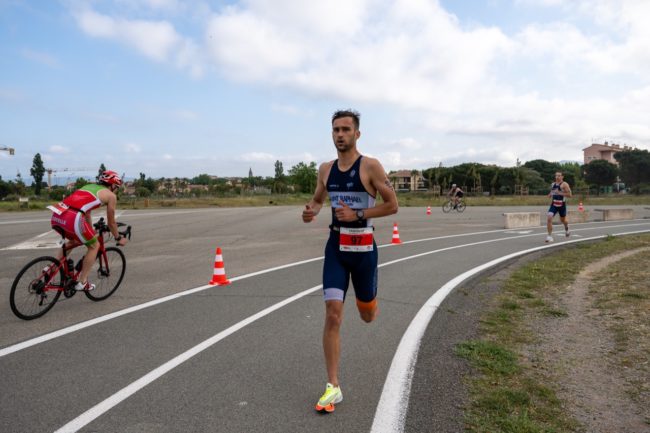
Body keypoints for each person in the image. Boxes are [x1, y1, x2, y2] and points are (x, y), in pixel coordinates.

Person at [302, 109, 398, 413]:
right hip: (336, 250)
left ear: (357, 134)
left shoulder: (370, 166)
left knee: (367, 315)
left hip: (364, 250)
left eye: (345, 129)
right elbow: (319, 199)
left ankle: (369, 303)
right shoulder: (326, 170)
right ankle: (333, 386)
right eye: (336, 130)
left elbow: (392, 205)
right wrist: (311, 210)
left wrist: (358, 214)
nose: (340, 134)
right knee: (333, 314)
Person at [48, 170, 128, 291]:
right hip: (73, 218)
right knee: (95, 246)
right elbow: (111, 223)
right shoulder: (111, 196)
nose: (116, 190)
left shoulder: (88, 186)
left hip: (58, 214)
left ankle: (51, 268)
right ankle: (82, 282)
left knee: (74, 241)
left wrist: (91, 231)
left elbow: (87, 213)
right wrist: (118, 237)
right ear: (112, 185)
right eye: (117, 187)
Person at [546, 171, 572, 243]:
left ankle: (567, 228)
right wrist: (550, 195)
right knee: (549, 217)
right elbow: (552, 192)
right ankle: (549, 236)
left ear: (562, 177)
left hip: (562, 205)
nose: (557, 177)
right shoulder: (553, 184)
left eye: (559, 176)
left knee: (563, 220)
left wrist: (559, 193)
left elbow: (570, 195)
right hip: (554, 204)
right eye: (556, 175)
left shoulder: (564, 184)